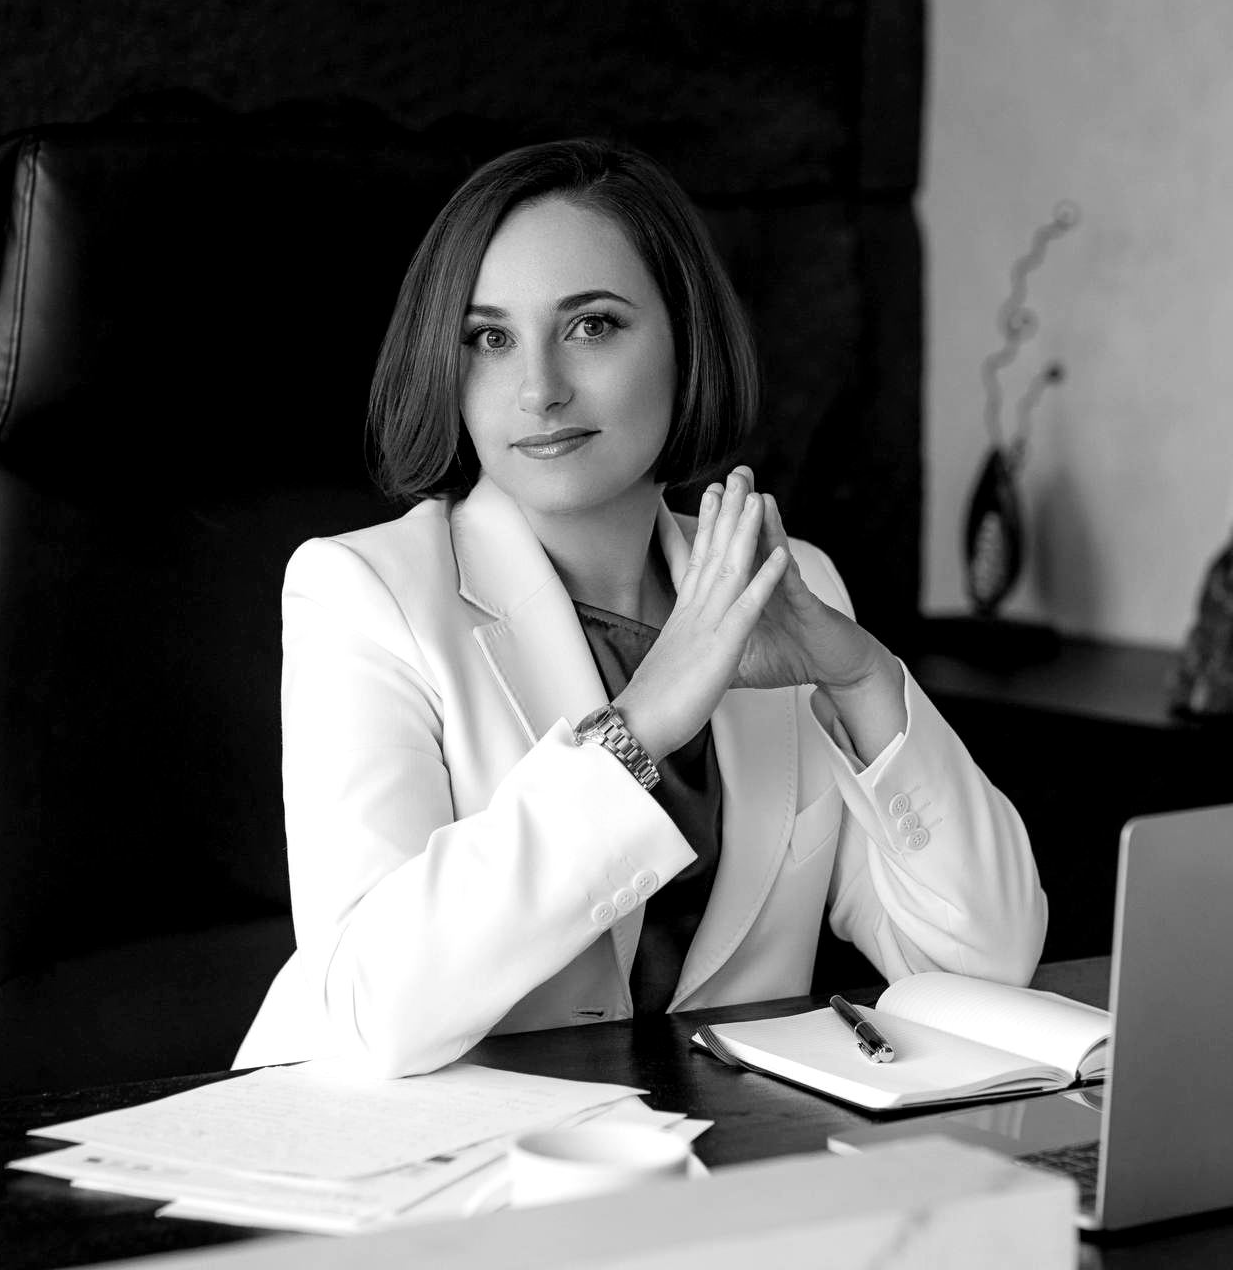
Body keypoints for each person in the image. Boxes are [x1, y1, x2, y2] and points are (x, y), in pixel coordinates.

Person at [234, 138, 1046, 1077]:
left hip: (714, 1150)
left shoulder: (784, 587)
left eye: (591, 326)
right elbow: (368, 1009)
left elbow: (983, 964)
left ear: (686, 342)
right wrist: (641, 725)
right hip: (415, 1155)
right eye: (489, 339)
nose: (538, 389)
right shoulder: (362, 593)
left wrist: (863, 677)